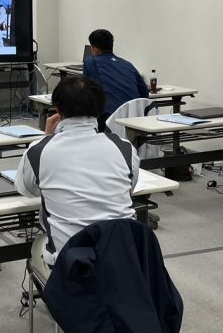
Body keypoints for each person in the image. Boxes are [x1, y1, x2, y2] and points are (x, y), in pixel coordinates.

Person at [14, 76, 140, 278]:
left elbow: (26, 189)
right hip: (124, 258)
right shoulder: (124, 148)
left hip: (71, 265)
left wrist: (46, 138)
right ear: (100, 109)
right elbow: (129, 188)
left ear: (57, 109)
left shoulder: (40, 151)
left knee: (38, 244)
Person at [82, 29, 148, 124]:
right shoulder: (127, 64)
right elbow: (144, 94)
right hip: (136, 119)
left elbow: (84, 93)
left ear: (95, 49)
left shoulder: (90, 62)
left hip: (110, 120)